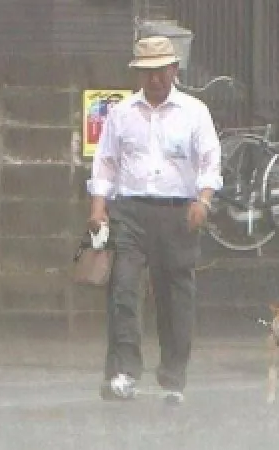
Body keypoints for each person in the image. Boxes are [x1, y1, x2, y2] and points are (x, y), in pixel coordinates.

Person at [86, 35, 222, 405]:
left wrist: (204, 200)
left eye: (160, 71)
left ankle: (173, 373)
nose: (155, 80)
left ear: (174, 70)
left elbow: (211, 161)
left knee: (175, 295)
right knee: (123, 292)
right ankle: (124, 372)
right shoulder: (122, 112)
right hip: (129, 210)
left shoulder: (195, 112)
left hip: (179, 212)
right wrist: (99, 206)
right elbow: (106, 160)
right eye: (147, 73)